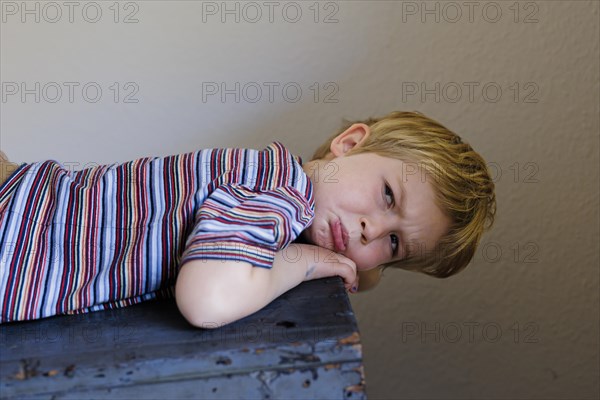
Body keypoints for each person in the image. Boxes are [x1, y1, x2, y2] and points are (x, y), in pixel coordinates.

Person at [0, 111, 495, 327]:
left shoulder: (269, 170)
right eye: (387, 195)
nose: (371, 228)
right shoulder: (281, 199)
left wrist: (360, 265)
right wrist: (300, 263)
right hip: (14, 244)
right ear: (348, 142)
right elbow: (205, 302)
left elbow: (364, 277)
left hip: (28, 195)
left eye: (394, 244)